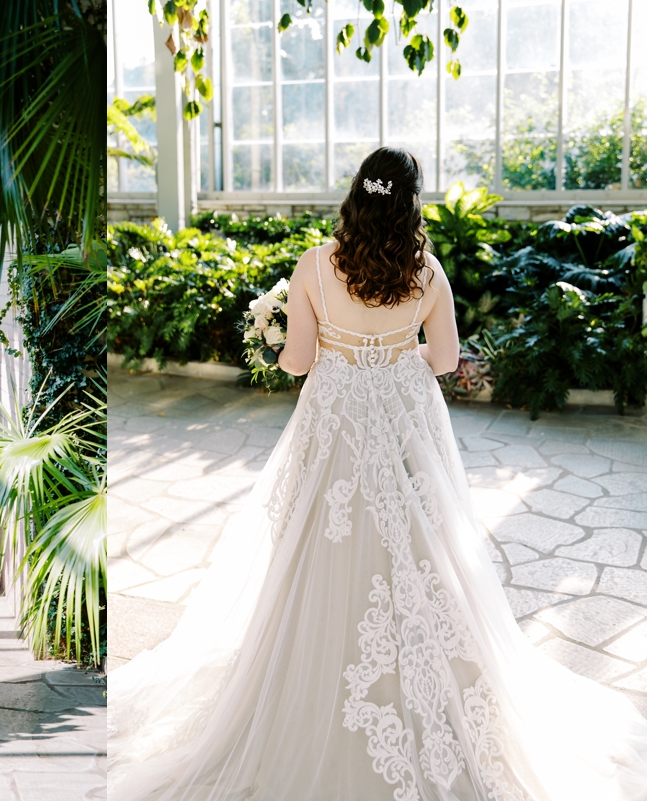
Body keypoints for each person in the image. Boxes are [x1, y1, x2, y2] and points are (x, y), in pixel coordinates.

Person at [108, 148, 647, 800]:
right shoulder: (428, 273)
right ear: (410, 203)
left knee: (319, 542)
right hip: (399, 416)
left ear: (357, 196)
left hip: (334, 416)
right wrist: (397, 353)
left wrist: (282, 345)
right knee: (418, 540)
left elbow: (299, 363)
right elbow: (445, 360)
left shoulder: (313, 265)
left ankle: (310, 675)